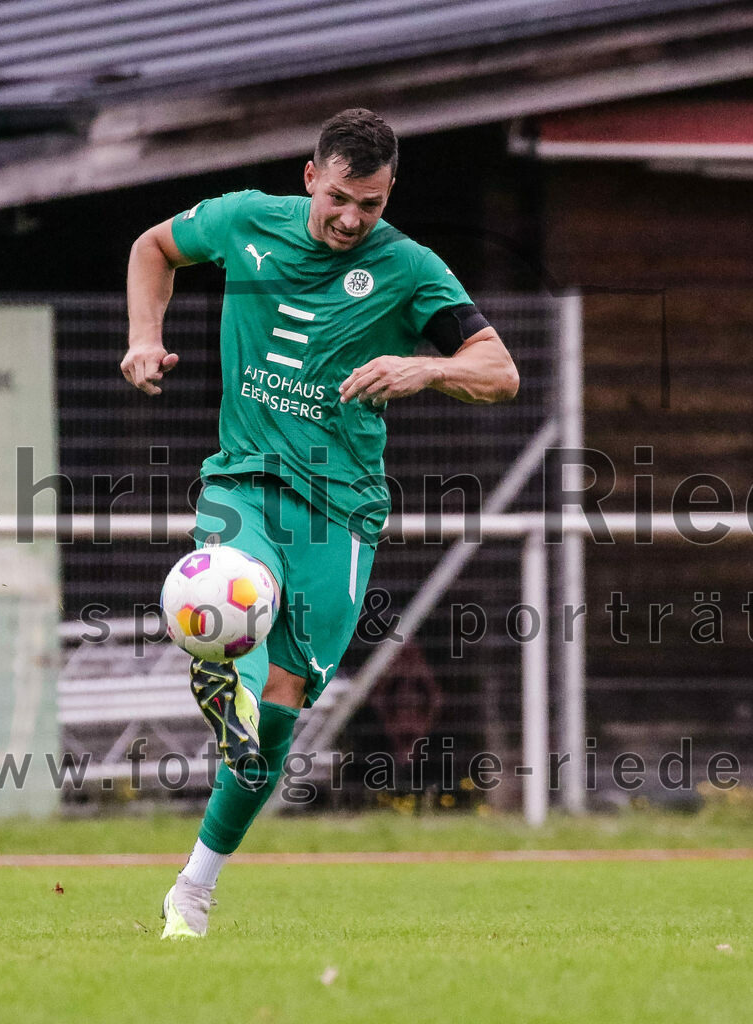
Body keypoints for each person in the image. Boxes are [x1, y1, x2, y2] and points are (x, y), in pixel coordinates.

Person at [121, 108, 518, 939]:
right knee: (233, 585)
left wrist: (422, 368)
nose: (350, 218)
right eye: (338, 198)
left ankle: (193, 888)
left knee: (282, 710)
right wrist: (143, 338)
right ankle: (225, 673)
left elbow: (498, 372)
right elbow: (153, 247)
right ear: (310, 178)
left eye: (369, 204)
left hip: (341, 506)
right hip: (243, 479)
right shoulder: (244, 220)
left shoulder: (409, 267)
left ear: (388, 195)